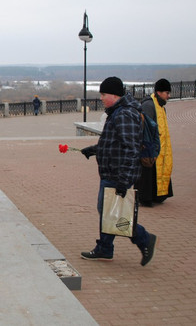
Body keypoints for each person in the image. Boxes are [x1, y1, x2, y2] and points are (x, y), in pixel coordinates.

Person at [80, 76, 157, 266]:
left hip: (117, 174)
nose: (101, 98)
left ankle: (143, 238)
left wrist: (124, 181)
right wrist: (95, 149)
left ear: (114, 95)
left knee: (113, 213)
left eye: (103, 94)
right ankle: (105, 248)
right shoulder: (117, 112)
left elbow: (131, 149)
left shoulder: (124, 114)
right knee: (108, 210)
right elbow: (115, 143)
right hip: (112, 172)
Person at [136, 79, 173, 207]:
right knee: (148, 172)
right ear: (158, 92)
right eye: (166, 93)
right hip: (149, 146)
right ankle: (146, 197)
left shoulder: (161, 106)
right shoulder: (149, 105)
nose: (168, 96)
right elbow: (146, 126)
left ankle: (158, 195)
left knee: (158, 170)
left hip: (159, 146)